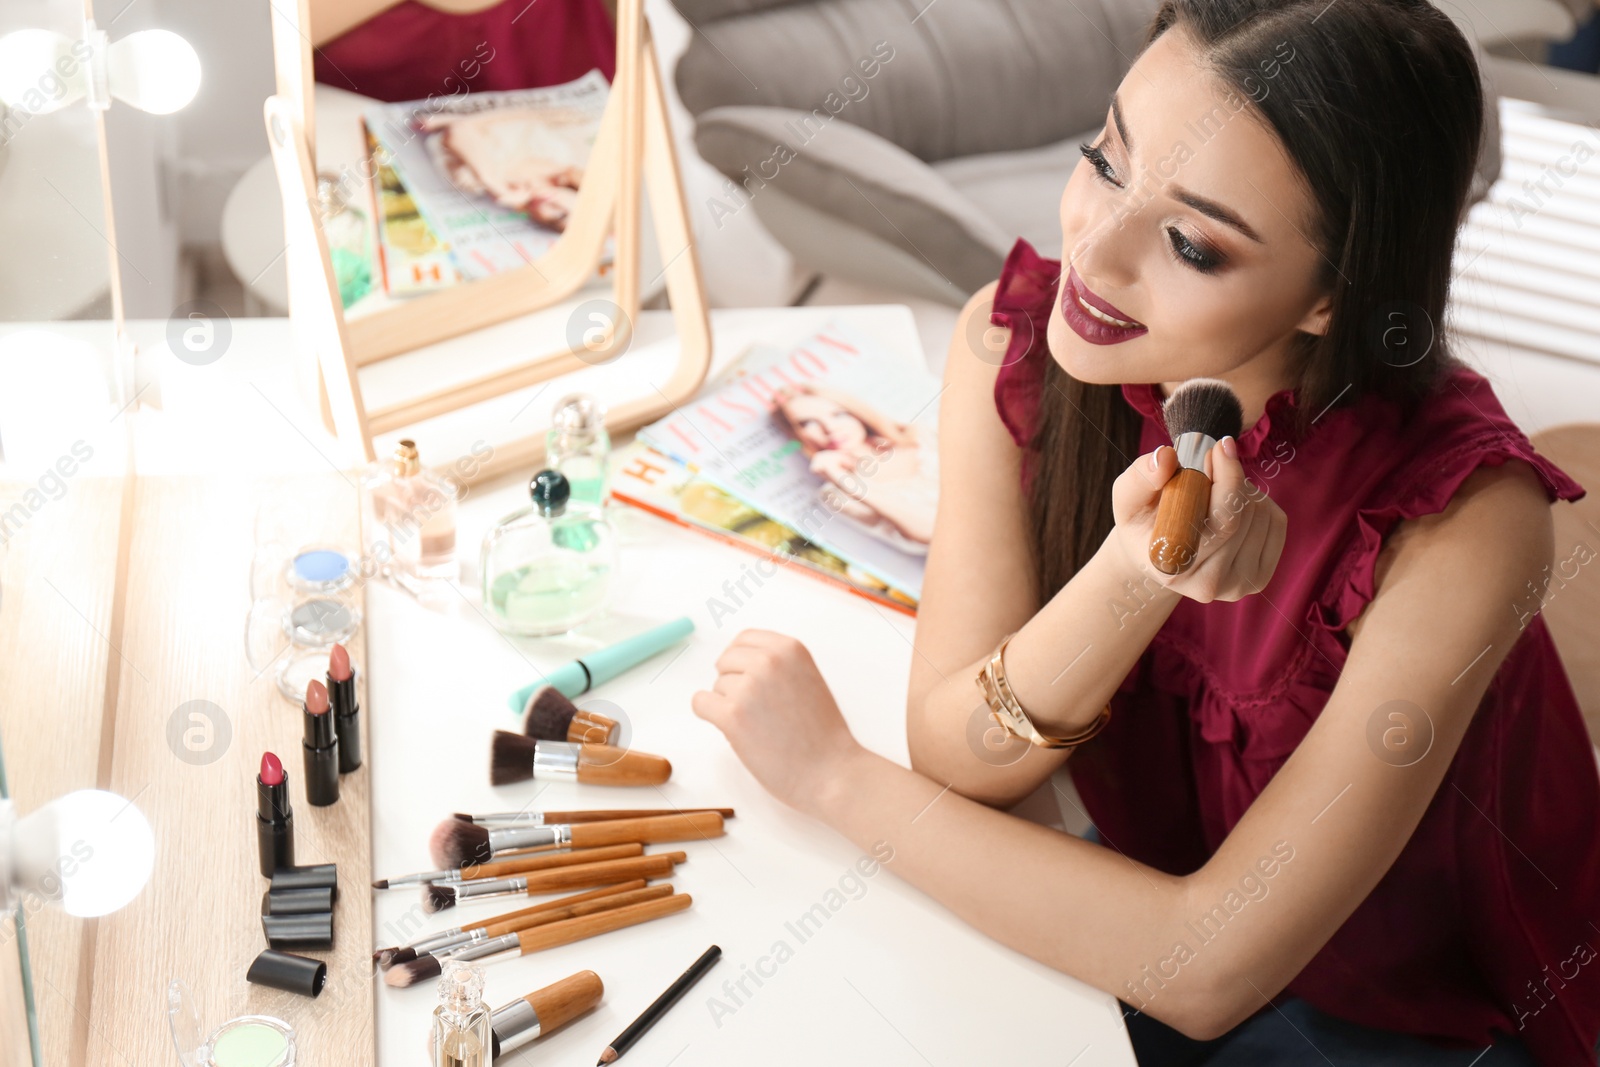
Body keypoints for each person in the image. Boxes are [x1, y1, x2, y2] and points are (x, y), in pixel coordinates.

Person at [689, 1, 1600, 1063]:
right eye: (1105, 159)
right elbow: (957, 751)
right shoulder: (1011, 345)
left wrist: (834, 777)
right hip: (1139, 903)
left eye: (1189, 242)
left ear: (1330, 295)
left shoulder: (1465, 521)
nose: (1094, 250)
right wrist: (1136, 571)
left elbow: (1208, 966)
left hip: (1397, 1009)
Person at [772, 382, 938, 551]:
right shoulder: (837, 495)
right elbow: (935, 534)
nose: (830, 428)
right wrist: (845, 482)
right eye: (808, 423)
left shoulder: (922, 436)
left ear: (856, 413)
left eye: (838, 414)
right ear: (796, 434)